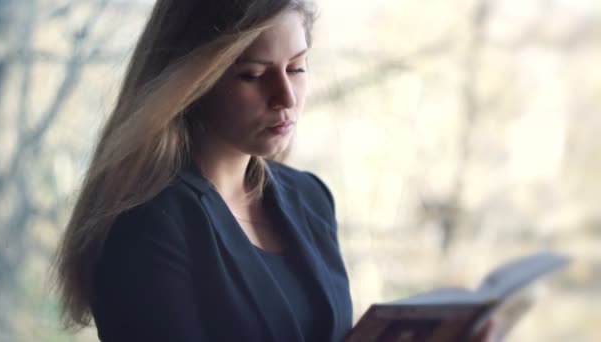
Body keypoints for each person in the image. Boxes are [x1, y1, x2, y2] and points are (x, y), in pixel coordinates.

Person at [52, 0, 493, 341]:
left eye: (297, 67)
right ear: (193, 81)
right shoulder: (146, 228)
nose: (286, 95)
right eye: (252, 74)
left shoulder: (310, 199)